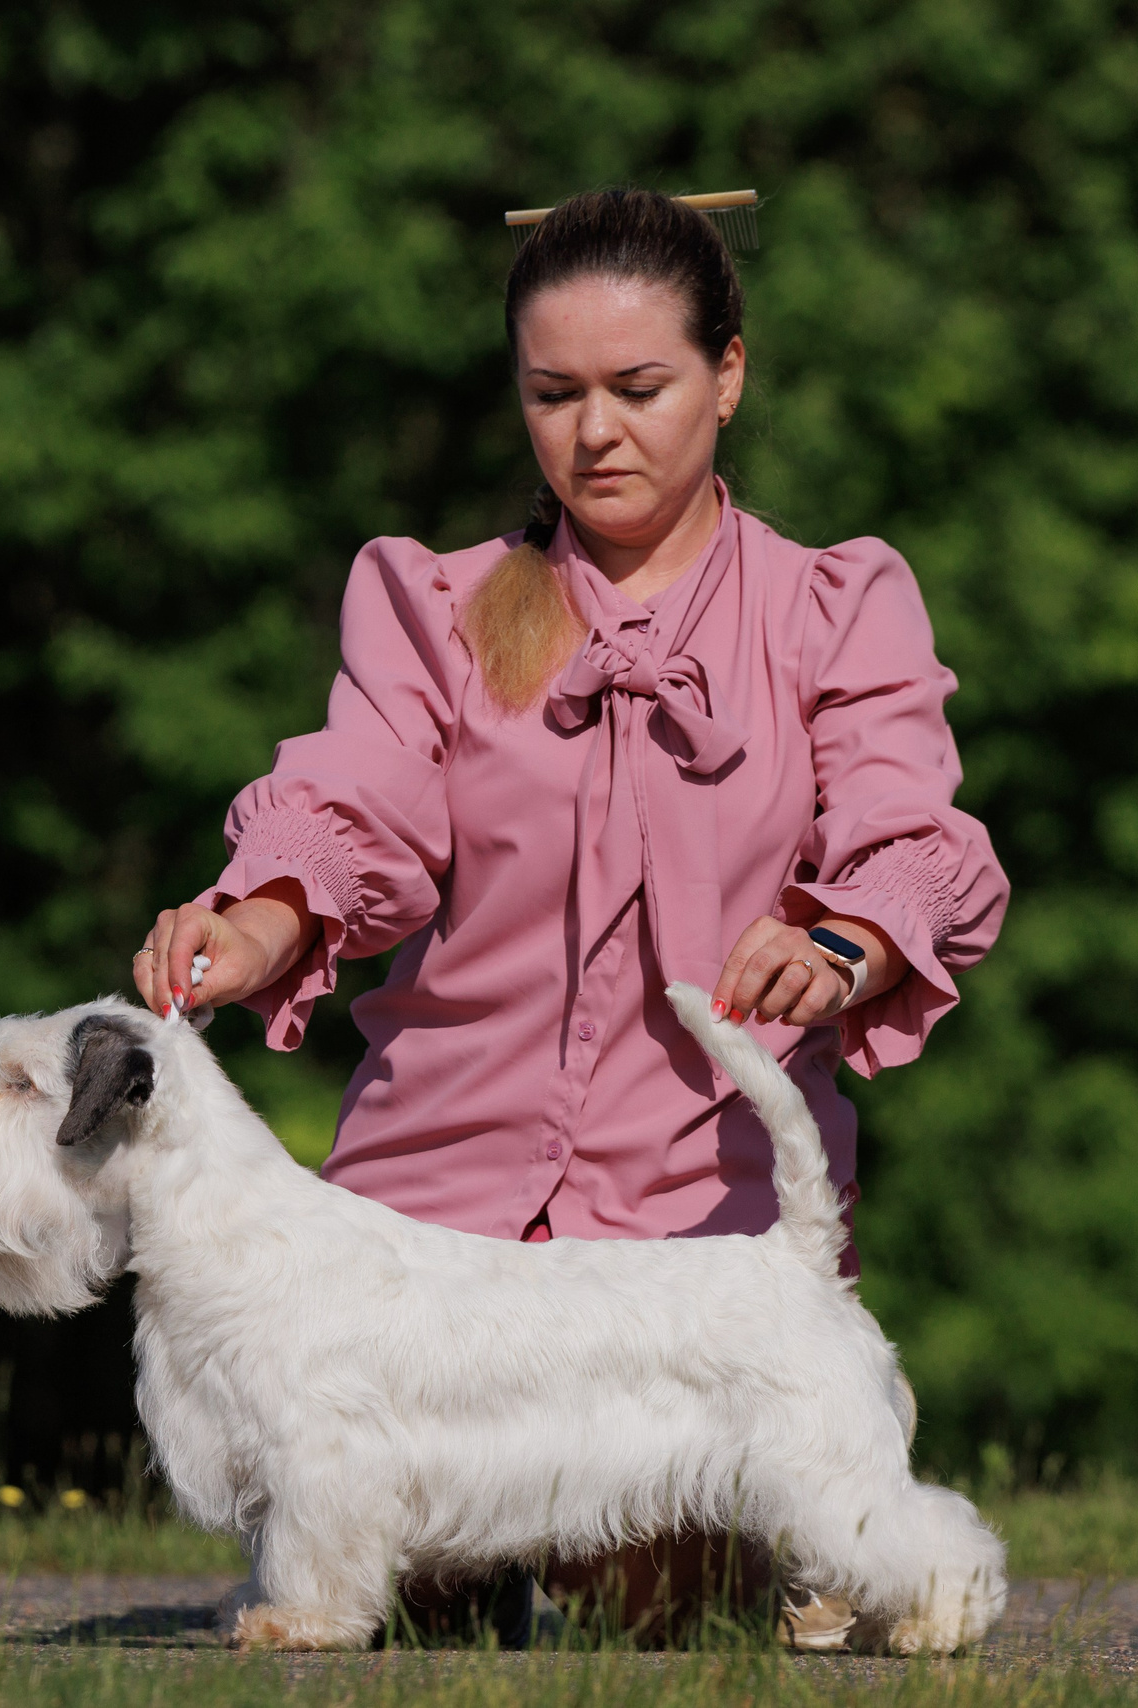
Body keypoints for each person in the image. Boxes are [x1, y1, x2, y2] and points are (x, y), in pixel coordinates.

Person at [131, 187, 1008, 1645]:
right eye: (554, 394)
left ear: (729, 375)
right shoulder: (435, 605)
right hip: (423, 1246)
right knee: (392, 1623)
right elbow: (361, 806)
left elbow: (916, 833)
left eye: (639, 387)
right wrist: (262, 917)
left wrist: (841, 945)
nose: (596, 431)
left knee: (661, 1631)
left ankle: (819, 1481)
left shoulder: (835, 609)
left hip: (691, 1239)